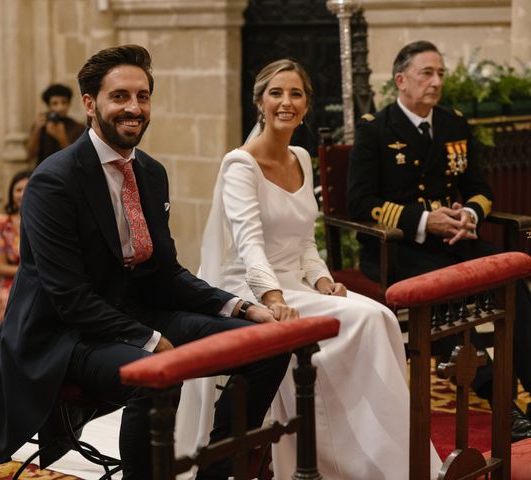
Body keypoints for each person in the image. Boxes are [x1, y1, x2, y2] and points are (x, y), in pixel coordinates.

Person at [0, 45, 289, 480]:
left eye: (143, 96)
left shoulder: (150, 172)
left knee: (267, 346)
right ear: (90, 104)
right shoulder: (53, 182)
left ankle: (216, 471)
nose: (134, 108)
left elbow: (167, 274)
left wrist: (241, 307)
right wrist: (150, 340)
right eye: (120, 97)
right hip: (62, 333)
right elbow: (69, 298)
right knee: (156, 373)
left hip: (132, 312)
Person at [177, 59, 442, 480]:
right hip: (250, 285)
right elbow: (250, 245)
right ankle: (347, 464)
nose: (287, 102)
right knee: (366, 320)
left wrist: (323, 280)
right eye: (276, 93)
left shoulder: (300, 155)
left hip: (297, 281)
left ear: (306, 104)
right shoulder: (239, 165)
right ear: (259, 102)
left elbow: (305, 240)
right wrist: (274, 298)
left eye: (296, 94)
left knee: (383, 319)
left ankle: (394, 460)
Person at [347, 40, 531, 439]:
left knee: (512, 279)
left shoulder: (453, 124)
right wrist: (425, 221)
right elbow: (359, 202)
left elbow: (480, 188)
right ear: (401, 80)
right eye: (426, 73)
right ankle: (502, 404)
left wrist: (469, 214)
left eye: (441, 74)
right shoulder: (375, 130)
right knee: (449, 293)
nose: (436, 82)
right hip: (399, 248)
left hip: (454, 240)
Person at [0, 170, 30, 324]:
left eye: (27, 188)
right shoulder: (1, 223)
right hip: (13, 281)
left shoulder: (45, 218)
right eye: (18, 190)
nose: (22, 194)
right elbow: (0, 267)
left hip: (42, 279)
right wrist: (32, 270)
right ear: (11, 194)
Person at [26, 83, 86, 165]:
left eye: (64, 102)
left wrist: (61, 137)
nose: (60, 107)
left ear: (69, 104)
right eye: (55, 103)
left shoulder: (78, 128)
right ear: (48, 106)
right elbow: (30, 155)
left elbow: (77, 159)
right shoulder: (41, 125)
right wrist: (37, 130)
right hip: (43, 171)